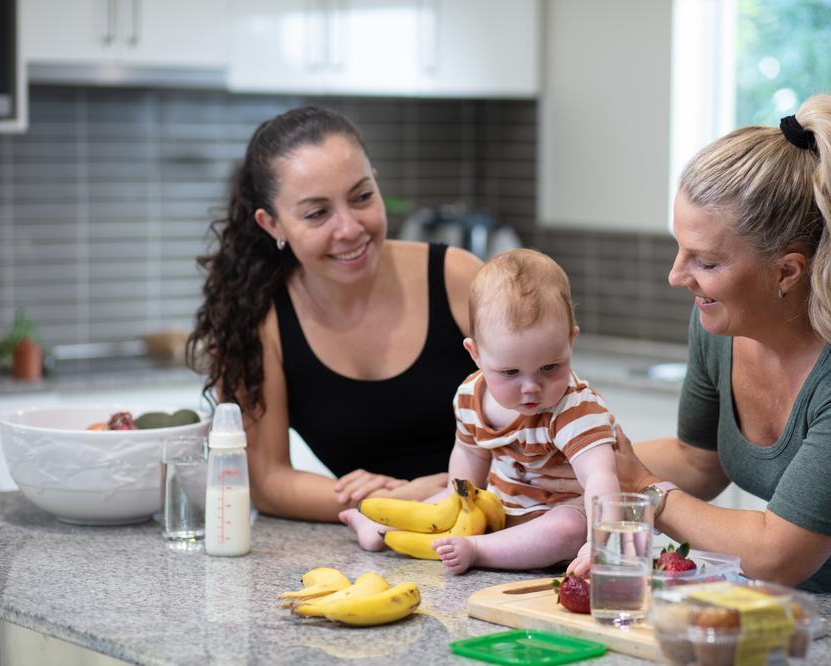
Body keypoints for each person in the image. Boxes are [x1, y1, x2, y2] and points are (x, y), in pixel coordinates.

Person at [563, 95, 831, 621]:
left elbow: (775, 554)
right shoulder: (718, 325)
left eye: (706, 261)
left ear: (787, 271)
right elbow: (698, 460)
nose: (676, 275)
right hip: (803, 620)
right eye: (680, 248)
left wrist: (645, 492)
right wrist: (568, 467)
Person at [187, 106, 481, 522]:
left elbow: (554, 428)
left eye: (362, 197)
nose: (348, 228)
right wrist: (399, 502)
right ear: (272, 225)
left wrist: (453, 489)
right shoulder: (256, 318)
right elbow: (268, 481)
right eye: (316, 213)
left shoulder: (458, 277)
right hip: (377, 548)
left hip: (504, 527)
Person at [341, 249, 623, 573]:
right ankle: (374, 527)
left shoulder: (575, 408)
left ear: (570, 342)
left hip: (557, 513)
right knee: (437, 502)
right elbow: (468, 453)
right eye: (510, 373)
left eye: (549, 367)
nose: (531, 387)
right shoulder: (469, 396)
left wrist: (601, 543)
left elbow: (601, 477)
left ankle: (478, 550)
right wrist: (457, 503)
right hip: (498, 508)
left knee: (566, 529)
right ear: (475, 354)